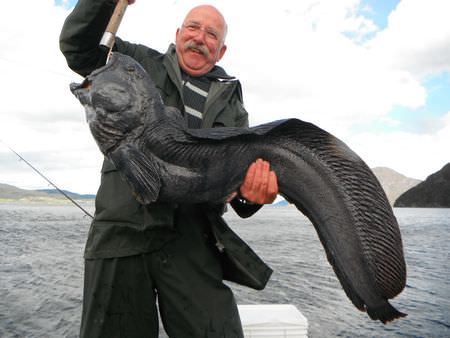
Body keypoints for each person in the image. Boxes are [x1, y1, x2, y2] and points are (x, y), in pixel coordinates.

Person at [60, 1, 278, 337]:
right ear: (178, 34)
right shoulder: (134, 63)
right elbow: (79, 48)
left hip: (193, 239)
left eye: (211, 34)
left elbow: (240, 197)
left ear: (221, 51)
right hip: (122, 233)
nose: (199, 38)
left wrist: (254, 196)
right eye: (193, 27)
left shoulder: (234, 107)